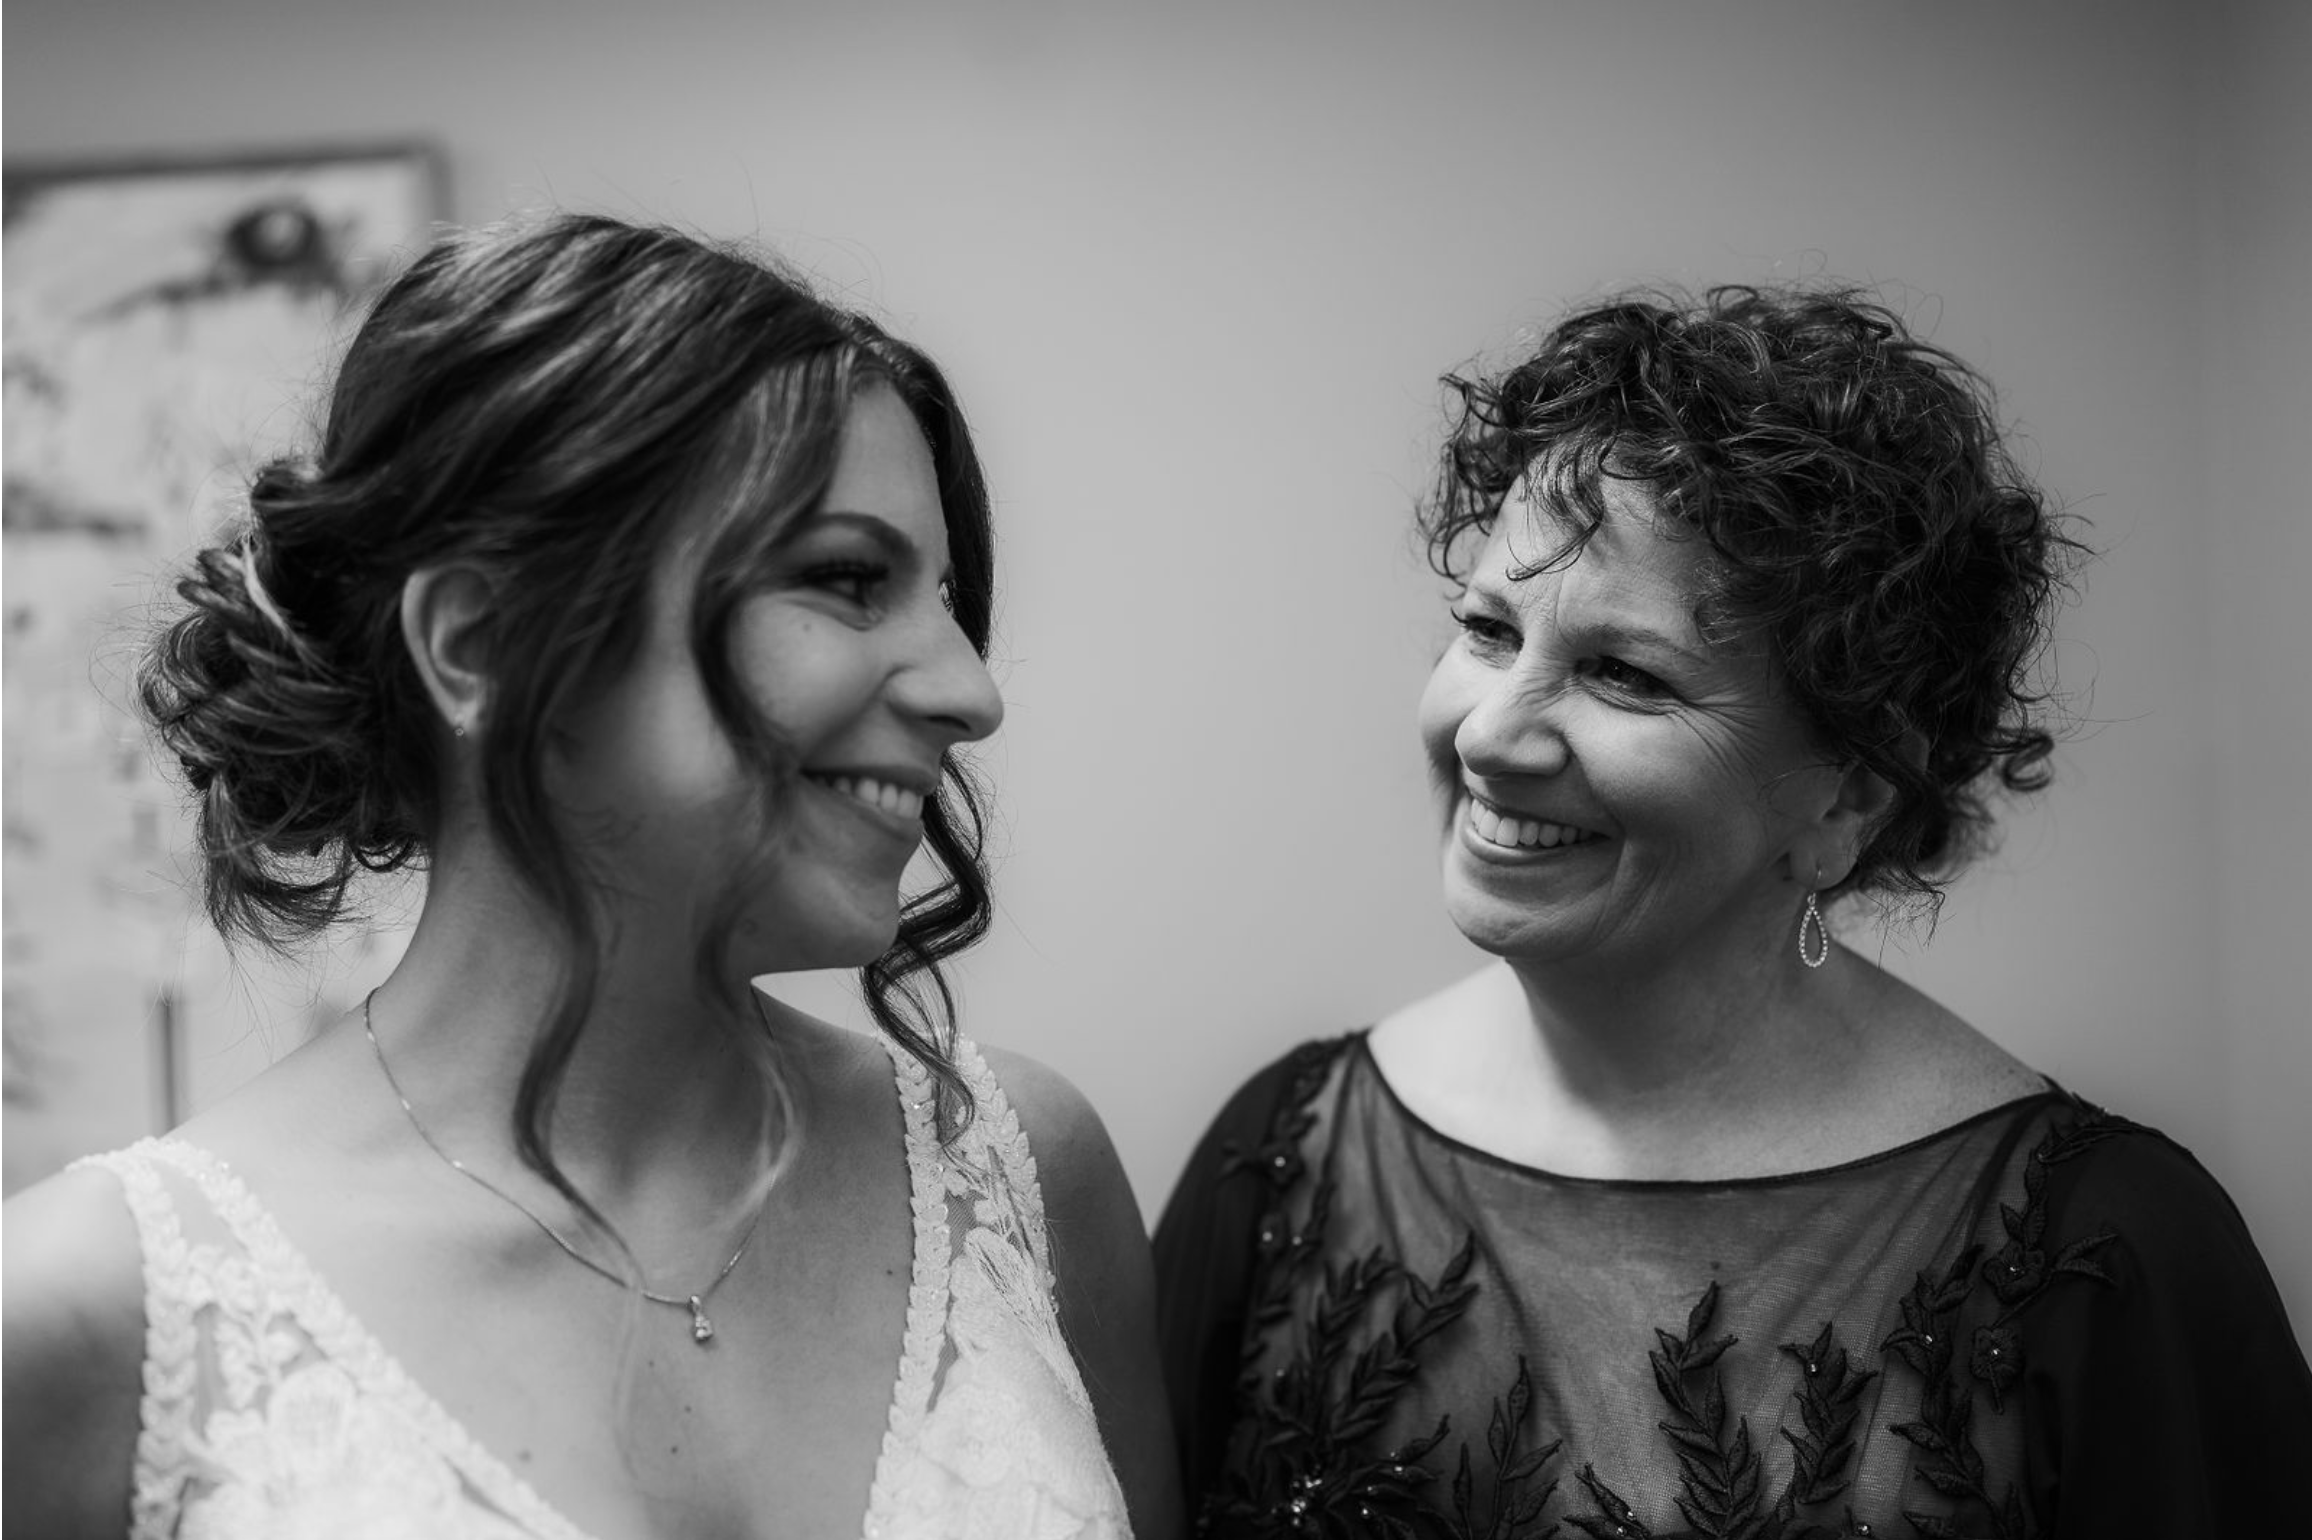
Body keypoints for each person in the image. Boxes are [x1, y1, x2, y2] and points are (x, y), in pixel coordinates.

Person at [3, 213, 1177, 1540]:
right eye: (847, 580)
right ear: (482, 643)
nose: (969, 691)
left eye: (949, 600)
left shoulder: (1021, 1174)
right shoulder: (83, 1317)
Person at [1154, 286, 2312, 1536]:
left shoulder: (2112, 1250)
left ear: (1848, 797)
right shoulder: (1277, 1161)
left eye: (1621, 672)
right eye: (1487, 630)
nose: (1488, 732)